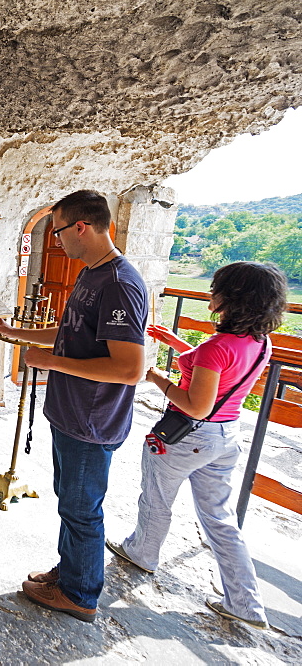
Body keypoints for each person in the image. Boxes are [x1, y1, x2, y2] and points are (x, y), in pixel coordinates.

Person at [0, 190, 148, 622]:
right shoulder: (91, 273)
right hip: (71, 412)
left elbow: (130, 368)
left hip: (91, 420)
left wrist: (50, 363)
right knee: (69, 501)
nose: (55, 241)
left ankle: (81, 594)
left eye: (57, 231)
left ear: (81, 227)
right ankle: (70, 571)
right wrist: (16, 332)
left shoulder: (119, 284)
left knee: (81, 508)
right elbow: (68, 332)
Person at [108, 261, 286, 630]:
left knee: (156, 498)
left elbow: (196, 404)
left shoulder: (215, 348)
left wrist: (154, 376)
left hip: (188, 438)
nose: (211, 291)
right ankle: (245, 604)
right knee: (220, 519)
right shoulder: (260, 341)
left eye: (217, 286)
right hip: (226, 437)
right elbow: (224, 374)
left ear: (232, 297)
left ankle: (142, 553)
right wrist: (182, 347)